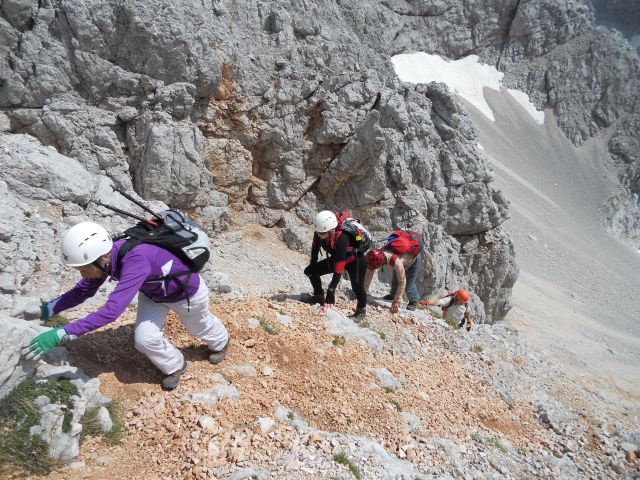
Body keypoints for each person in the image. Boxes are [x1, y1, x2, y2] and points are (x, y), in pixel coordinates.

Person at [22, 221, 229, 390]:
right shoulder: (107, 259)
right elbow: (83, 291)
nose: (83, 274)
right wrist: (47, 310)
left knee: (197, 327)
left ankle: (221, 342)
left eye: (84, 269)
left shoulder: (136, 260)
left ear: (102, 258)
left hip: (186, 293)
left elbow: (112, 312)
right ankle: (175, 365)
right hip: (153, 293)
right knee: (144, 339)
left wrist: (62, 333)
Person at [303, 211, 368, 320]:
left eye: (321, 233)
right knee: (310, 271)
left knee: (357, 287)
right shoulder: (321, 232)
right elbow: (314, 251)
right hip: (338, 257)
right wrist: (313, 268)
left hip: (356, 260)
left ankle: (361, 310)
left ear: (331, 230)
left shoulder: (342, 238)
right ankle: (319, 296)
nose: (319, 235)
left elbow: (339, 267)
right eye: (318, 232)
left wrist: (331, 289)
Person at [364, 248, 421, 313]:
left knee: (408, 285)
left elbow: (402, 282)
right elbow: (370, 272)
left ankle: (414, 301)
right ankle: (393, 295)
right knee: (395, 278)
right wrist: (363, 293)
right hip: (401, 257)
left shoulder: (397, 262)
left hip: (413, 260)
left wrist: (396, 301)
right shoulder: (378, 254)